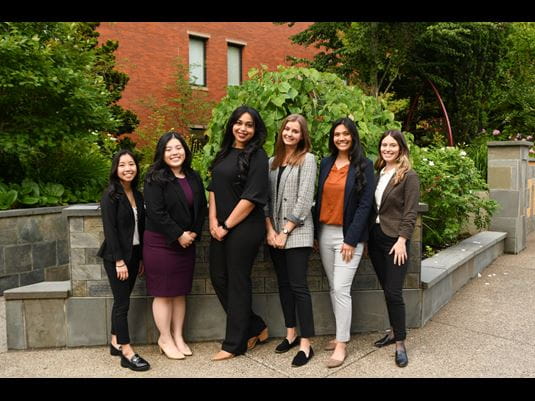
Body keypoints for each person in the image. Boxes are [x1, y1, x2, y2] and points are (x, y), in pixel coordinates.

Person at [208, 105, 270, 361]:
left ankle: (235, 344)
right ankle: (255, 326)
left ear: (255, 129)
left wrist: (226, 226)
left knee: (237, 281)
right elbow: (213, 188)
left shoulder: (258, 156)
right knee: (218, 277)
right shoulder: (223, 153)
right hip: (220, 227)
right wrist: (213, 221)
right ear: (232, 125)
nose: (243, 128)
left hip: (245, 227)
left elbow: (251, 198)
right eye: (239, 123)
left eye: (249, 125)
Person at [314, 117, 375, 368]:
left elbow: (365, 205)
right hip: (325, 232)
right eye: (337, 134)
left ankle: (341, 343)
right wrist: (316, 234)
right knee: (333, 287)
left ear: (353, 136)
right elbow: (320, 199)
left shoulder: (364, 165)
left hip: (349, 236)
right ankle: (340, 334)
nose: (341, 138)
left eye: (346, 134)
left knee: (341, 288)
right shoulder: (326, 163)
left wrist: (351, 239)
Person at [143, 131, 207, 360]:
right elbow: (156, 212)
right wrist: (178, 234)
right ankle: (165, 338)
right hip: (160, 243)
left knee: (179, 292)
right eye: (168, 149)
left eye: (178, 147)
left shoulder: (193, 176)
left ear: (185, 150)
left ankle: (178, 336)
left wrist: (193, 232)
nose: (174, 152)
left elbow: (202, 208)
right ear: (162, 153)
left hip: (186, 243)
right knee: (163, 293)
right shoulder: (154, 178)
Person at [265, 114, 316, 367]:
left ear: (302, 135)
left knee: (298, 287)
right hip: (274, 235)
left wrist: (285, 231)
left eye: (295, 131)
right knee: (284, 285)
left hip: (297, 233)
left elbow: (305, 200)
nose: (290, 134)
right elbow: (265, 199)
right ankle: (291, 334)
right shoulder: (272, 162)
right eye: (287, 129)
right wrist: (270, 231)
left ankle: (306, 344)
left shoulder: (308, 160)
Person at [367, 130, 420, 368]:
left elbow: (410, 212)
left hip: (395, 241)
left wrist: (402, 240)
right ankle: (392, 332)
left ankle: (400, 343)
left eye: (392, 145)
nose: (387, 149)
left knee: (394, 292)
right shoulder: (378, 173)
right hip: (376, 238)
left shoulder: (409, 176)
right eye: (384, 145)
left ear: (401, 148)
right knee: (386, 288)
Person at [97, 149, 150, 372]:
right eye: (122, 165)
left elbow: (141, 229)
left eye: (131, 164)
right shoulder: (110, 196)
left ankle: (114, 342)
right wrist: (119, 261)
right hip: (115, 257)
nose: (128, 168)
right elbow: (110, 231)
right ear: (115, 169)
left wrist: (141, 257)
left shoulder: (138, 195)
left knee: (122, 300)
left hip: (134, 254)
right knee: (122, 304)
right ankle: (126, 352)